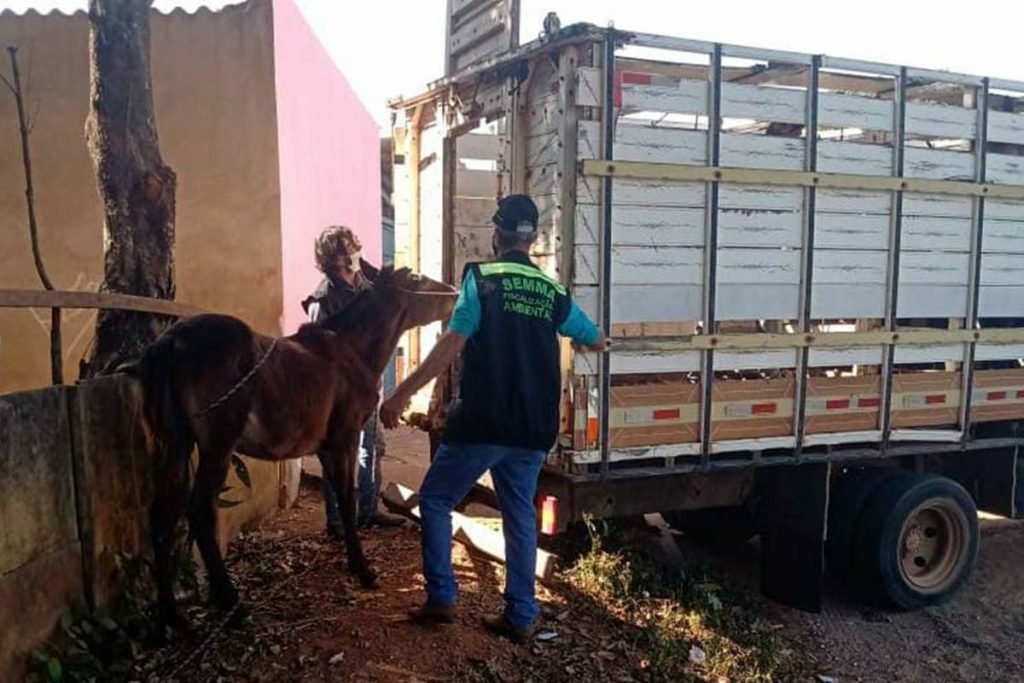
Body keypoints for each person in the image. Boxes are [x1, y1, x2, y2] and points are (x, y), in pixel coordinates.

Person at [380, 195, 607, 642]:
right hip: (532, 428)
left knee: (437, 499)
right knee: (519, 513)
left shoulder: (481, 279)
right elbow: (593, 337)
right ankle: (522, 615)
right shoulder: (554, 292)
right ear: (533, 238)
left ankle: (442, 598)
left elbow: (453, 341)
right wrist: (600, 342)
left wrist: (402, 392)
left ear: (497, 234)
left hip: (482, 423)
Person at [301, 225, 406, 535]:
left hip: (367, 388)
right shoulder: (323, 300)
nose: (347, 262)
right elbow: (318, 355)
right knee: (338, 453)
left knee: (372, 448)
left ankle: (369, 510)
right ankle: (338, 522)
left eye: (350, 253)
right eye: (338, 257)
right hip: (339, 395)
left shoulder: (365, 281)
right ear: (326, 262)